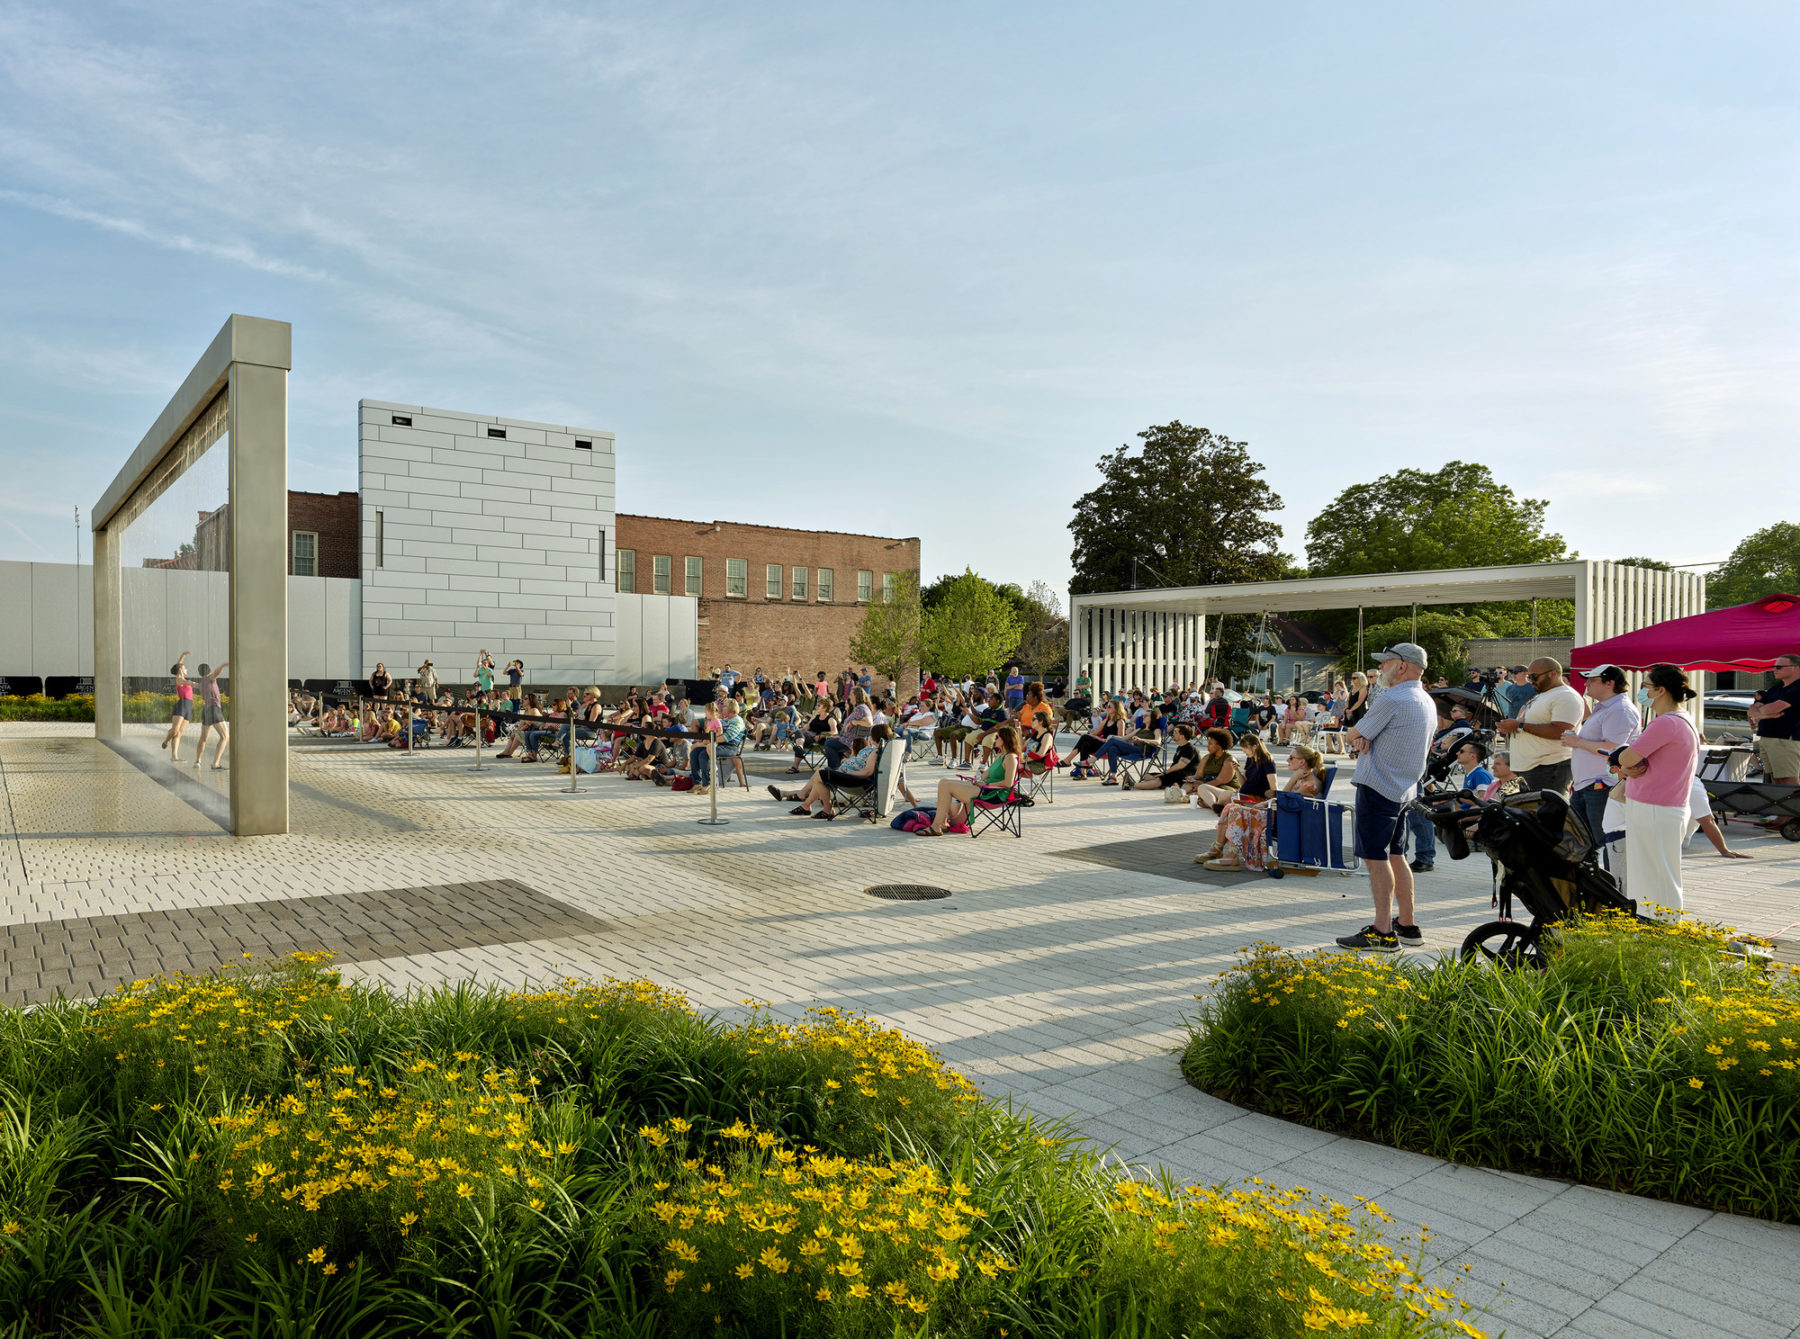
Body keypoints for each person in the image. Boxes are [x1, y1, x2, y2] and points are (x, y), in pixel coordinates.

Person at [1336, 643, 1436, 953]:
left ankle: (1382, 931)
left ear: (1402, 666)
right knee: (1397, 854)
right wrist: (1367, 735)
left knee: (1376, 858)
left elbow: (1351, 734)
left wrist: (1361, 736)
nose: (1381, 668)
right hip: (1404, 787)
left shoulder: (1393, 697)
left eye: (1386, 662)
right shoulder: (1425, 699)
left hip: (1379, 785)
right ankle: (1406, 923)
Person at [1612, 664, 1702, 911]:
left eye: (1645, 686)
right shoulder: (1681, 720)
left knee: (1655, 875)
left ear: (1660, 690)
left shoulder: (1666, 723)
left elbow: (1627, 757)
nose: (1642, 691)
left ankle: (1662, 927)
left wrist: (1624, 762)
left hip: (1655, 806)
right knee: (1652, 873)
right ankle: (1652, 923)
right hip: (1662, 805)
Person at [1560, 664, 1641, 860]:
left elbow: (1614, 750)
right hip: (1589, 784)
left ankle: (1609, 883)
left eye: (1592, 680)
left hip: (1601, 784)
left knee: (1603, 841)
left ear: (1609, 683)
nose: (1586, 684)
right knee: (1586, 841)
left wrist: (1577, 741)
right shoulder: (1607, 708)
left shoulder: (1619, 710)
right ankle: (1595, 883)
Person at [1201, 745, 1324, 871]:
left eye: (1291, 758)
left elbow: (1284, 801)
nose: (1287, 760)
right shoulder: (1302, 780)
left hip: (1284, 821)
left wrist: (1292, 780)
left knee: (1235, 810)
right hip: (1280, 816)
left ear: (1302, 761)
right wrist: (1267, 802)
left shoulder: (1310, 785)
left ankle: (1231, 856)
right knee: (1230, 807)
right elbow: (1283, 798)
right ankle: (1217, 849)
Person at [1494, 658, 1583, 795]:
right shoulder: (1544, 695)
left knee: (1547, 814)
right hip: (1532, 769)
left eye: (1534, 676)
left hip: (1549, 768)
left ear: (1552, 673)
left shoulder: (1566, 696)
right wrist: (1512, 728)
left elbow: (1561, 731)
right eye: (1529, 676)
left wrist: (1520, 725)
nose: (1530, 680)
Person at [923, 725, 1022, 835]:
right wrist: (976, 780)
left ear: (1005, 739)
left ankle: (937, 826)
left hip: (994, 794)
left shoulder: (1011, 758)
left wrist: (986, 784)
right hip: (985, 788)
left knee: (947, 786)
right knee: (943, 781)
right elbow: (985, 774)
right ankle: (942, 822)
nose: (995, 739)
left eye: (998, 737)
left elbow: (1008, 783)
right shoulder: (1001, 755)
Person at [1747, 652, 1800, 785]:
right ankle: (1783, 805)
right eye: (1774, 666)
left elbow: (1773, 708)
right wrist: (1764, 714)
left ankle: (1793, 806)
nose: (1774, 670)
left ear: (1796, 668)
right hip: (1767, 738)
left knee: (1788, 780)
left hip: (1784, 739)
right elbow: (1752, 710)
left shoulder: (1797, 688)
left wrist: (1762, 712)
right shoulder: (1775, 689)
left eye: (1779, 667)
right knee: (1776, 779)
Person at [1121, 722, 1201, 792]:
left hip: (1184, 775)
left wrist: (1164, 773)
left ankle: (1131, 785)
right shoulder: (1180, 747)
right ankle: (1166, 783)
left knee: (1158, 780)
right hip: (1175, 773)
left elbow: (1180, 765)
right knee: (1147, 776)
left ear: (1182, 736)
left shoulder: (1189, 748)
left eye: (1176, 732)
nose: (1173, 734)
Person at [1185, 727, 1240, 811]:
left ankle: (1212, 805)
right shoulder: (1207, 757)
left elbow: (1219, 781)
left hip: (1225, 789)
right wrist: (1193, 778)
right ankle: (1211, 803)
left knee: (1201, 788)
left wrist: (1200, 785)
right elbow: (1199, 775)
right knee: (1187, 786)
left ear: (1219, 745)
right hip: (1209, 785)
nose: (1207, 746)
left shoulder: (1229, 760)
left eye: (1210, 744)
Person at [191, 660, 231, 770]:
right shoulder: (210, 679)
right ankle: (215, 764)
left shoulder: (201, 683)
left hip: (206, 711)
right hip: (214, 709)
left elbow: (192, 684)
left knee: (203, 738)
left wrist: (183, 681)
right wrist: (223, 665)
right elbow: (216, 673)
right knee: (225, 737)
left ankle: (198, 761)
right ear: (209, 670)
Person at [161, 653, 195, 761]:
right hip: (181, 705)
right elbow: (179, 666)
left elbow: (179, 665)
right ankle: (166, 740)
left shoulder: (183, 677)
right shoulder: (179, 679)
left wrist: (183, 655)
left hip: (189, 706)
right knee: (175, 731)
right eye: (185, 668)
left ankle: (174, 757)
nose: (187, 669)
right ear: (180, 670)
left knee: (179, 733)